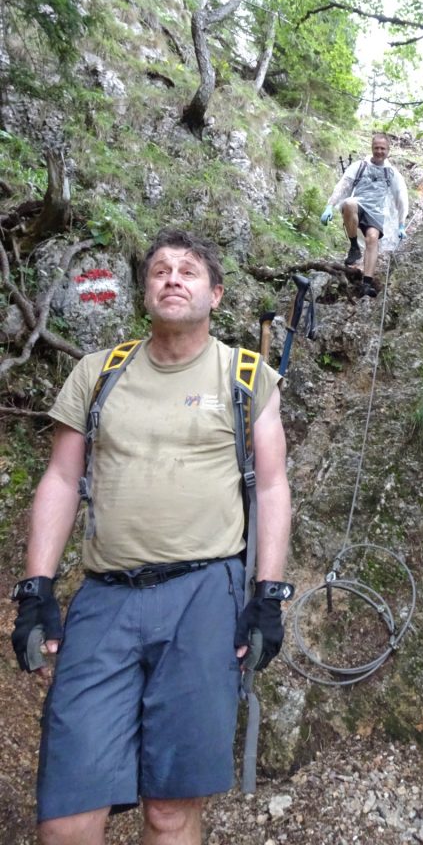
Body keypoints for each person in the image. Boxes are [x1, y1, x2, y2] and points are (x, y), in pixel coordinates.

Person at [10, 229, 292, 845]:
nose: (172, 278)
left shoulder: (247, 375)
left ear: (215, 295)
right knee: (66, 818)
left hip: (204, 598)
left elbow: (272, 488)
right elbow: (61, 477)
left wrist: (268, 597)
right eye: (160, 270)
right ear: (144, 293)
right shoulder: (97, 373)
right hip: (104, 598)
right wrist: (36, 589)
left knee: (169, 810)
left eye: (189, 271)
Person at [320, 132, 409, 297]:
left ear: (388, 150)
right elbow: (344, 185)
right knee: (349, 203)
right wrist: (329, 206)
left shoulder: (392, 173)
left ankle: (366, 284)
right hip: (358, 205)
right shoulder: (359, 166)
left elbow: (401, 199)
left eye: (383, 148)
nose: (379, 151)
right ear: (372, 148)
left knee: (373, 239)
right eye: (376, 148)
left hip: (376, 212)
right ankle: (354, 247)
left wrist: (401, 224)